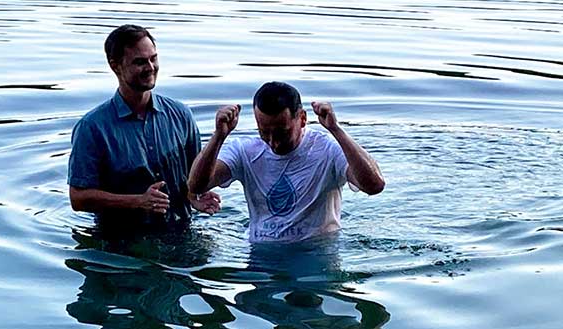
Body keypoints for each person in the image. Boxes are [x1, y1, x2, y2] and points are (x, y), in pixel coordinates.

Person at [68, 24, 220, 233]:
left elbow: (194, 176)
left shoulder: (180, 115)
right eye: (140, 62)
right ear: (115, 66)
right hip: (121, 241)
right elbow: (78, 198)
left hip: (181, 232)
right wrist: (137, 201)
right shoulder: (92, 128)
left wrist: (195, 197)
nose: (150, 67)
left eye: (153, 58)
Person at [188, 81, 384, 242]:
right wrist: (218, 137)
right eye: (264, 132)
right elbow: (197, 185)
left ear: (302, 119)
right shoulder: (244, 150)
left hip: (316, 256)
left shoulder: (328, 149)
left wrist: (336, 130)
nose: (273, 143)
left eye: (282, 132)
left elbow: (374, 185)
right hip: (261, 257)